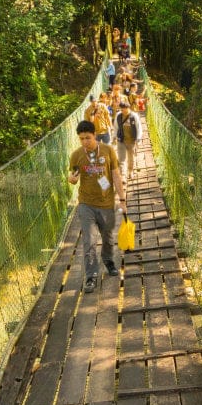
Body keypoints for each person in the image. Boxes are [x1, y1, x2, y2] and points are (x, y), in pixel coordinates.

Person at [68, 121, 128, 293]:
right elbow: (73, 177)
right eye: (81, 139)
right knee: (89, 240)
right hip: (86, 204)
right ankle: (91, 276)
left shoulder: (108, 151)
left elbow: (116, 175)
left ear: (95, 135)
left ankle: (108, 260)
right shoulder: (76, 155)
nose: (85, 142)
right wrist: (71, 180)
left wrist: (122, 200)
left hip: (106, 203)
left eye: (88, 138)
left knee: (108, 238)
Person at [115, 101, 143, 180]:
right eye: (121, 109)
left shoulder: (134, 116)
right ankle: (123, 176)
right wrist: (115, 137)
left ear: (128, 108)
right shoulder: (119, 116)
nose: (123, 111)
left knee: (131, 158)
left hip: (131, 141)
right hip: (121, 140)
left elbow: (139, 128)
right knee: (121, 159)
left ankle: (130, 171)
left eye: (124, 109)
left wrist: (138, 139)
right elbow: (116, 127)